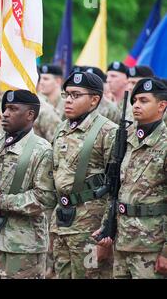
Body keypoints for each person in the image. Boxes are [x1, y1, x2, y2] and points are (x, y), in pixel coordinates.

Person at [0, 90, 56, 279]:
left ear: (30, 115)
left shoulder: (41, 150)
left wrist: (2, 201)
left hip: (22, 247)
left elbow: (45, 198)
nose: (6, 113)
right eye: (5, 108)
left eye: (13, 109)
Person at [95, 78, 167, 279]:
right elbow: (115, 189)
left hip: (151, 244)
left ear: (162, 105)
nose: (136, 105)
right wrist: (106, 227)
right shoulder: (126, 139)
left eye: (144, 100)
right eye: (134, 100)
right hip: (123, 241)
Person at [50, 72, 117, 279]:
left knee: (90, 275)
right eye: (67, 94)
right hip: (62, 222)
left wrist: (108, 231)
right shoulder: (62, 129)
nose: (69, 100)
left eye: (76, 95)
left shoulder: (108, 131)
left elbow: (117, 186)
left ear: (94, 100)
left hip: (91, 228)